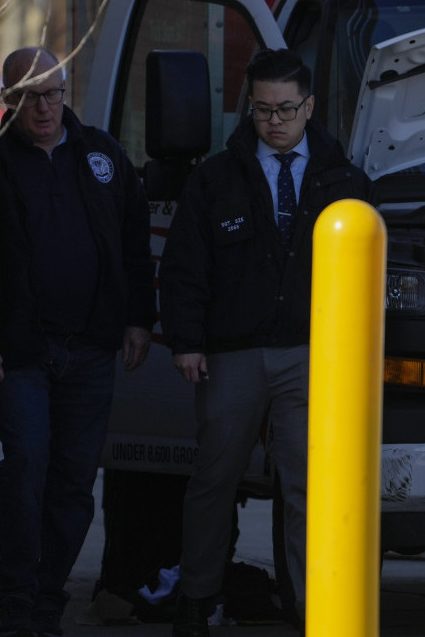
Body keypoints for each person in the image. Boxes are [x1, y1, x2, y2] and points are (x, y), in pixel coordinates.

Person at [158, 48, 373, 637]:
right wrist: (185, 342)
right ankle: (198, 601)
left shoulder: (344, 178)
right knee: (213, 480)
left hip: (313, 357)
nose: (274, 121)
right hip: (230, 356)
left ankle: (314, 609)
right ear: (247, 108)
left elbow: (365, 274)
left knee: (309, 487)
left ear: (309, 106)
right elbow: (184, 267)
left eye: (285, 109)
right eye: (260, 110)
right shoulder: (215, 178)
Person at [0, 46, 156, 637]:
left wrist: (139, 318)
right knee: (26, 468)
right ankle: (16, 600)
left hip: (91, 350)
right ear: (8, 100)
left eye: (54, 93)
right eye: (31, 96)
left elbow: (135, 240)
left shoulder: (101, 154)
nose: (45, 107)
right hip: (23, 353)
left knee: (75, 481)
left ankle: (47, 602)